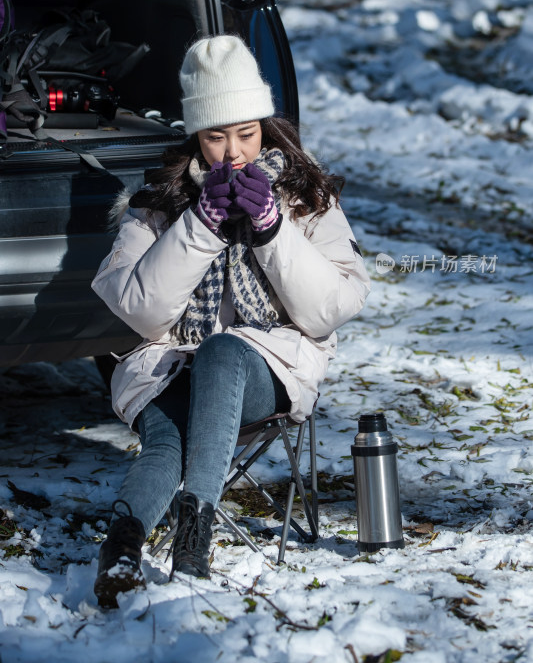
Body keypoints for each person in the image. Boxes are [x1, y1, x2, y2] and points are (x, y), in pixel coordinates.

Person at [91, 35, 371, 608]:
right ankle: (121, 549)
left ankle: (193, 542)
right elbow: (142, 312)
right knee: (167, 443)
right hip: (169, 364)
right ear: (196, 134)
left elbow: (332, 307)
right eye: (217, 137)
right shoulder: (160, 201)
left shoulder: (305, 194)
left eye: (247, 132)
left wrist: (271, 226)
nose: (234, 152)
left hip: (270, 366)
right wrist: (199, 224)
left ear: (265, 124)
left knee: (223, 351)